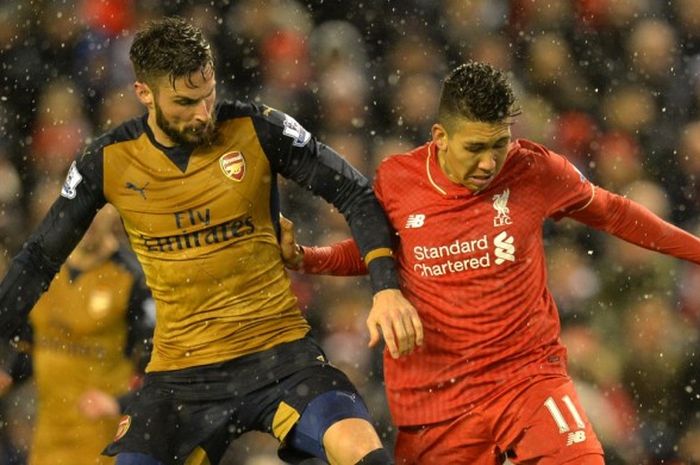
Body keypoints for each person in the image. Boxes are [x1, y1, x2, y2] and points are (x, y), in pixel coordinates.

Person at [0, 17, 422, 465]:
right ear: (144, 92)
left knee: (363, 453)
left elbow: (355, 193)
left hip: (280, 357)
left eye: (208, 94)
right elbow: (39, 257)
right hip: (181, 375)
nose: (203, 112)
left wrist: (387, 288)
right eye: (185, 102)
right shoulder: (105, 161)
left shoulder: (257, 128)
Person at [279, 61, 700, 465]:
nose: (488, 163)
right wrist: (309, 259)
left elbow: (616, 212)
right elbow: (376, 252)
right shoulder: (398, 180)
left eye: (500, 144)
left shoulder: (534, 170)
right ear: (440, 135)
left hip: (526, 376)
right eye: (475, 148)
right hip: (437, 395)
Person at [0, 205, 154, 465]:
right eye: (84, 209)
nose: (89, 219)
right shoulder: (42, 269)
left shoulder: (132, 279)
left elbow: (157, 367)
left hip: (101, 438)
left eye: (99, 209)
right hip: (47, 435)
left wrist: (119, 403)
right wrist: (9, 375)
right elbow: (31, 345)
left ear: (114, 213)